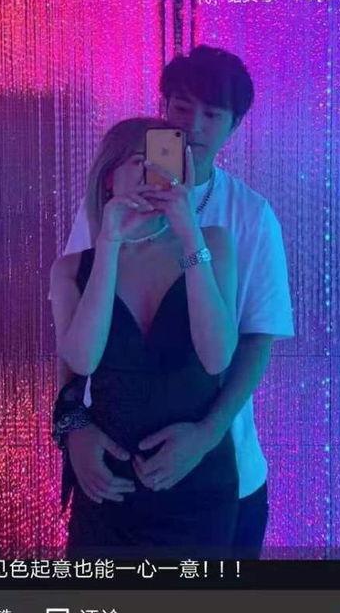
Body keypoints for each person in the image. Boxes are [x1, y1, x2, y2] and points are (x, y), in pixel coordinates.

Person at [53, 45, 294, 558]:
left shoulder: (249, 217)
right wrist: (73, 426)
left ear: (234, 126)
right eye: (183, 107)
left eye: (213, 114)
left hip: (219, 466)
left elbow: (256, 341)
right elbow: (75, 331)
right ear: (163, 107)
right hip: (114, 469)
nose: (194, 126)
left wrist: (207, 434)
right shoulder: (109, 209)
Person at [50, 116, 240, 557]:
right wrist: (110, 244)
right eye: (139, 160)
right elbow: (82, 360)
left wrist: (188, 233)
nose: (153, 171)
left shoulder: (213, 243)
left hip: (198, 482)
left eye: (163, 160)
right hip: (108, 485)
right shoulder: (71, 269)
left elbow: (217, 358)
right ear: (109, 176)